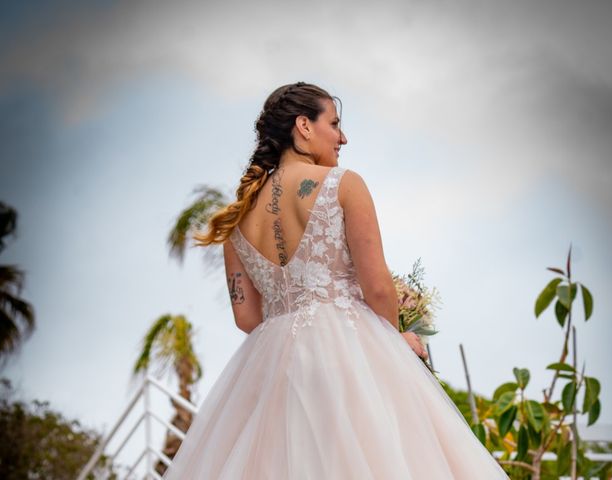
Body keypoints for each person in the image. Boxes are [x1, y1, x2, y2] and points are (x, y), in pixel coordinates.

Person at [162, 82, 510, 479]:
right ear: (304, 126)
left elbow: (246, 319)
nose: (343, 137)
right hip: (349, 353)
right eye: (335, 123)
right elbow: (377, 287)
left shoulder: (236, 220)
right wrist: (396, 341)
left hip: (272, 365)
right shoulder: (344, 184)